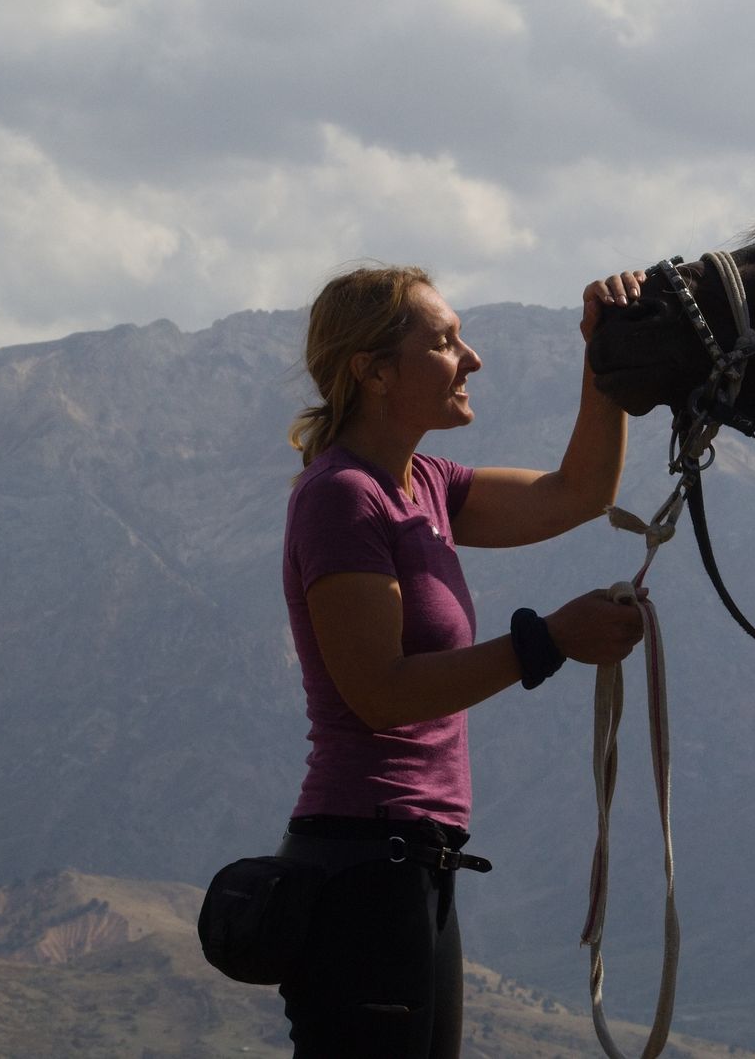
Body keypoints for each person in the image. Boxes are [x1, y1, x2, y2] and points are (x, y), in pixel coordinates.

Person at [277, 262, 649, 1057]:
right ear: (372, 371)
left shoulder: (428, 487)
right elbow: (380, 693)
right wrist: (549, 639)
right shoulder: (344, 497)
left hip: (413, 860)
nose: (472, 358)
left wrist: (604, 353)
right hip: (363, 863)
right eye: (445, 342)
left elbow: (579, 490)